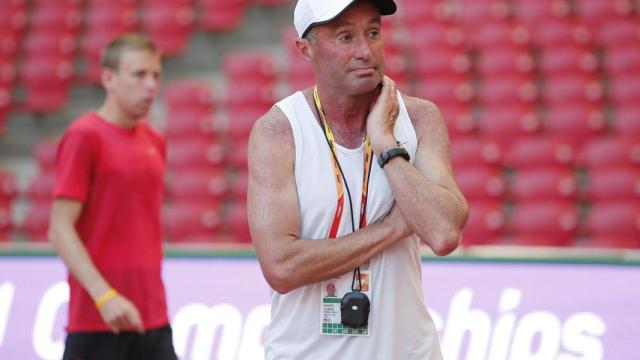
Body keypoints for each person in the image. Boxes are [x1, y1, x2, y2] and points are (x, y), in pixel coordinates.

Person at [248, 0, 469, 358]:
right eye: (346, 37)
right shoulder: (278, 131)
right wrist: (394, 227)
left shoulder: (420, 118)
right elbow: (281, 267)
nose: (365, 51)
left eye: (373, 32)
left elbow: (443, 233)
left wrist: (385, 143)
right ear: (306, 50)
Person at [48, 34, 177, 360]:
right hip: (97, 321)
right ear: (108, 78)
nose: (150, 85)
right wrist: (104, 297)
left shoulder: (155, 141)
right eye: (139, 75)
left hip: (153, 318)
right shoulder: (84, 136)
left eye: (156, 75)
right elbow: (59, 229)